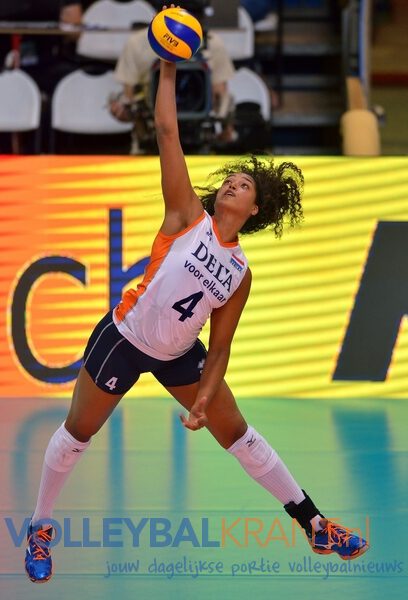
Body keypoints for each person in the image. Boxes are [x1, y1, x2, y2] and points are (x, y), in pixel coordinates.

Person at [24, 4, 369, 584]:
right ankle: (40, 527)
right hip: (124, 337)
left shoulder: (239, 273)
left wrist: (205, 399)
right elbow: (167, 131)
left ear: (254, 209)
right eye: (230, 179)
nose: (231, 183)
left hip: (180, 356)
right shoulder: (187, 214)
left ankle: (314, 524)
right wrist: (166, 65)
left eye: (243, 184)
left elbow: (222, 346)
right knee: (76, 435)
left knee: (241, 435)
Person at [110, 14, 235, 152]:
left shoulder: (212, 43)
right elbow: (129, 100)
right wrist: (126, 111)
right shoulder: (137, 42)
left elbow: (219, 99)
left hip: (200, 138)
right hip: (151, 139)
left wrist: (224, 128)